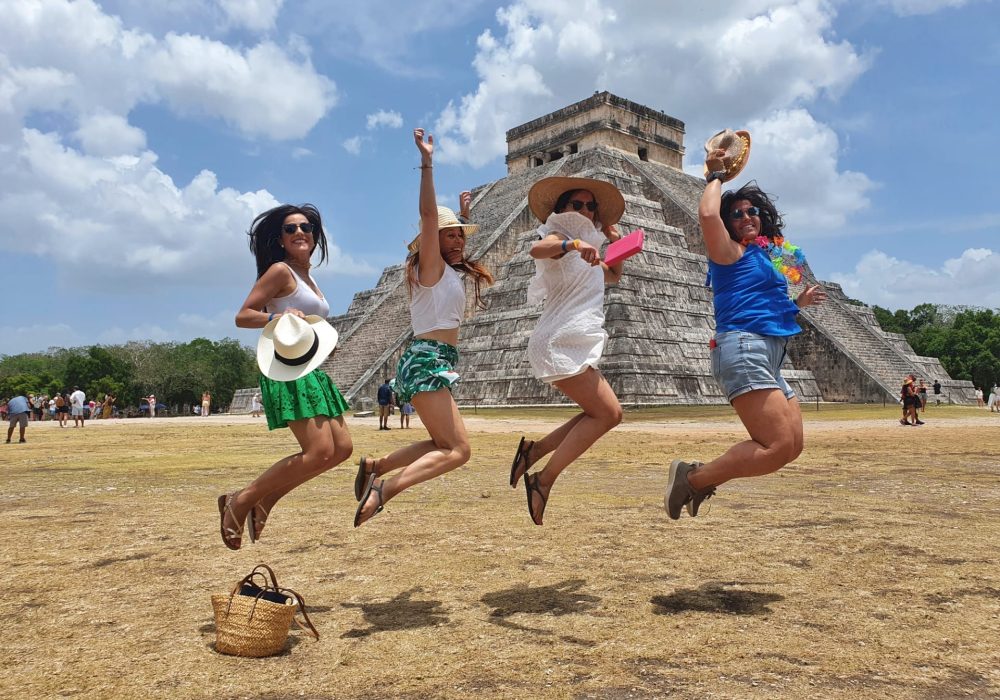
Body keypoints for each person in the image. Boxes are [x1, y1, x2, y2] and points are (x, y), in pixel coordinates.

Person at [664, 135, 827, 521]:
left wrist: (797, 305)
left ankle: (696, 479)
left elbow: (763, 303)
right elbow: (708, 216)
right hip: (744, 348)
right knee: (775, 445)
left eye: (752, 211)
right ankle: (693, 478)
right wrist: (714, 176)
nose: (746, 217)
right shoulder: (728, 253)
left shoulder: (767, 255)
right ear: (728, 223)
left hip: (770, 354)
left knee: (792, 447)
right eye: (736, 214)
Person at [353, 127, 494, 528]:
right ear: (432, 241)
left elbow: (449, 235)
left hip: (436, 358)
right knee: (458, 451)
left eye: (460, 236)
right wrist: (427, 163)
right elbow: (430, 217)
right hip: (428, 358)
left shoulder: (444, 271)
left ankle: (376, 465)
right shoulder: (429, 266)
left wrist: (463, 218)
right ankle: (384, 489)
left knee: (441, 443)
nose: (458, 241)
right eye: (450, 236)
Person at [219, 203, 352, 550]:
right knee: (319, 451)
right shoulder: (280, 271)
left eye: (306, 227)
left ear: (315, 236)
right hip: (289, 369)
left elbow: (310, 320)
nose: (299, 233)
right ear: (280, 239)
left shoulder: (309, 277)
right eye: (290, 229)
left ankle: (267, 499)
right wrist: (276, 319)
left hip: (311, 368)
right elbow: (243, 315)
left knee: (342, 450)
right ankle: (240, 500)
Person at [508, 176, 628, 526]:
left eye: (591, 206)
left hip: (571, 341)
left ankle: (535, 451)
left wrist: (616, 243)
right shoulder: (558, 238)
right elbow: (537, 250)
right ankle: (543, 478)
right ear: (561, 210)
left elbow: (613, 275)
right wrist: (574, 242)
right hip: (559, 341)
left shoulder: (588, 254)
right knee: (608, 415)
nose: (586, 211)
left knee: (601, 413)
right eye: (578, 204)